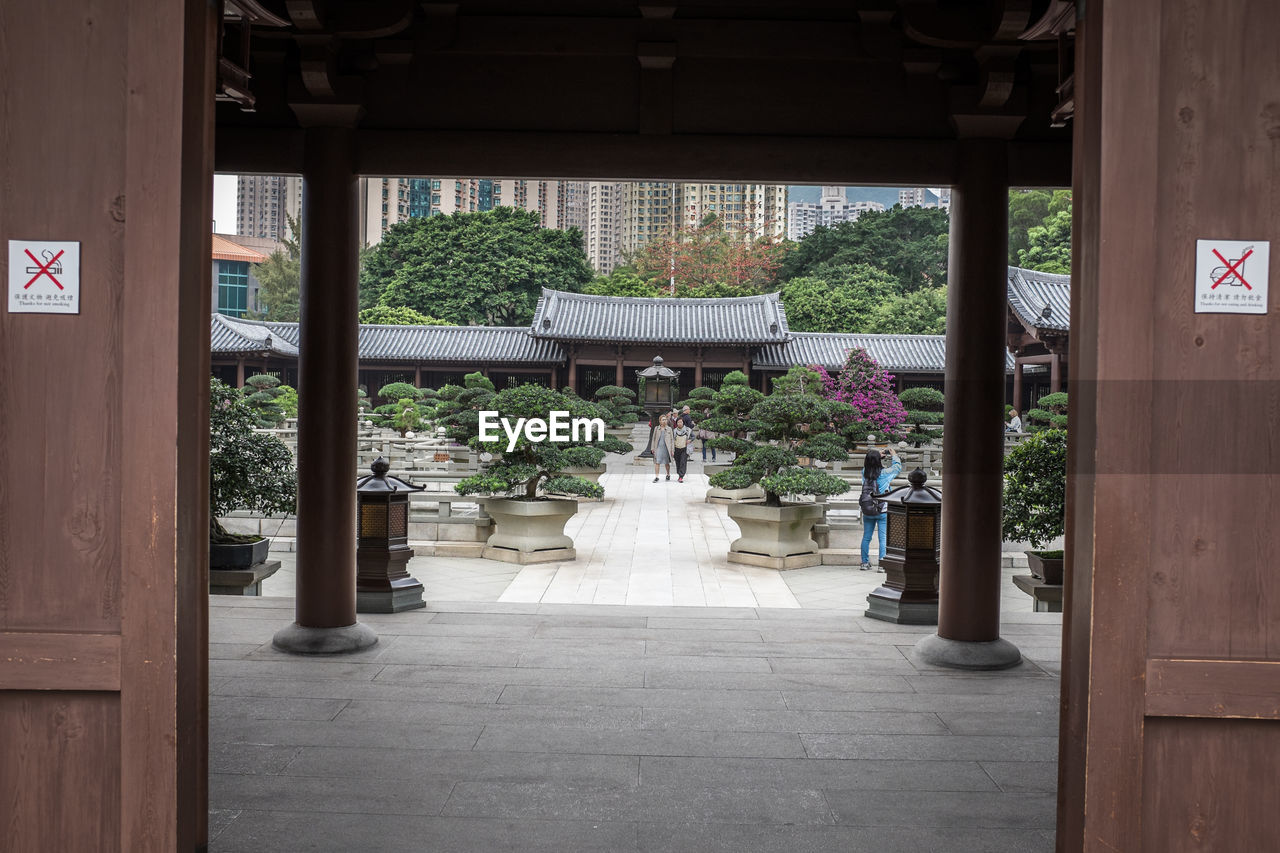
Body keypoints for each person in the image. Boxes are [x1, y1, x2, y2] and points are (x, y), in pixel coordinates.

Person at [859, 446, 903, 571]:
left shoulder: (864, 472)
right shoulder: (885, 473)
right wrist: (893, 453)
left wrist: (877, 454)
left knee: (866, 537)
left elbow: (870, 460)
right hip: (882, 509)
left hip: (867, 509)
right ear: (879, 460)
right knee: (883, 538)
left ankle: (864, 563)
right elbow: (897, 467)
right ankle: (882, 565)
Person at [650, 413, 675, 482]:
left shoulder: (669, 429)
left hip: (667, 448)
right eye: (663, 420)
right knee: (657, 462)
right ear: (660, 421)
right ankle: (657, 476)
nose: (664, 421)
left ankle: (668, 474)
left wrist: (672, 450)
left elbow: (672, 440)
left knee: (666, 463)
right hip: (658, 448)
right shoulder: (656, 428)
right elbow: (653, 439)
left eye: (665, 419)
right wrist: (652, 448)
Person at [672, 416, 694, 482]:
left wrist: (690, 440)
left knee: (683, 462)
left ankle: (681, 476)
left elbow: (693, 436)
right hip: (676, 449)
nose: (679, 423)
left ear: (683, 422)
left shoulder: (688, 430)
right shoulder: (674, 431)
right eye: (678, 422)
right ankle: (679, 473)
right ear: (676, 423)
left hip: (684, 449)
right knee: (678, 462)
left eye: (681, 422)